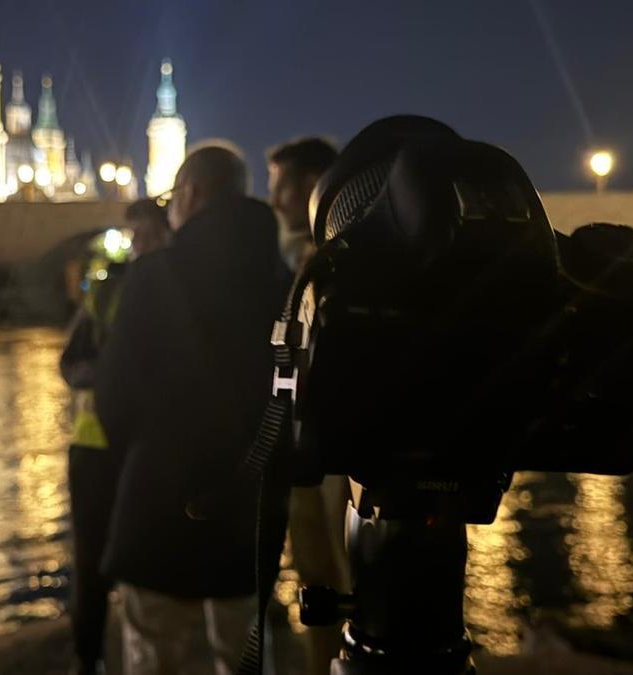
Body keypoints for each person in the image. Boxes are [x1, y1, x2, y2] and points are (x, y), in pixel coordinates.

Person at [95, 144, 291, 675]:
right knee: (245, 651)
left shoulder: (154, 275)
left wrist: (142, 456)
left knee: (156, 651)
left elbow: (112, 397)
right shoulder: (285, 281)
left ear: (191, 192)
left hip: (160, 496)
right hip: (244, 500)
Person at [60, 199, 170, 675]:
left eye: (147, 232)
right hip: (95, 445)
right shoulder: (107, 289)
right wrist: (109, 378)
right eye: (134, 232)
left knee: (144, 559)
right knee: (90, 561)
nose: (139, 241)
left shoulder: (175, 286)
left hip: (145, 447)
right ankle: (89, 658)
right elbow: (71, 361)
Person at [267, 137, 349, 675]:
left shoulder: (342, 256)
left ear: (304, 189)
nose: (272, 201)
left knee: (347, 581)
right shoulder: (300, 255)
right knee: (316, 583)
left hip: (340, 456)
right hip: (304, 450)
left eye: (278, 187)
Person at [266, 137, 338, 272]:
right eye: (272, 192)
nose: (274, 203)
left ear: (313, 185)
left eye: (281, 189)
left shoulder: (339, 258)